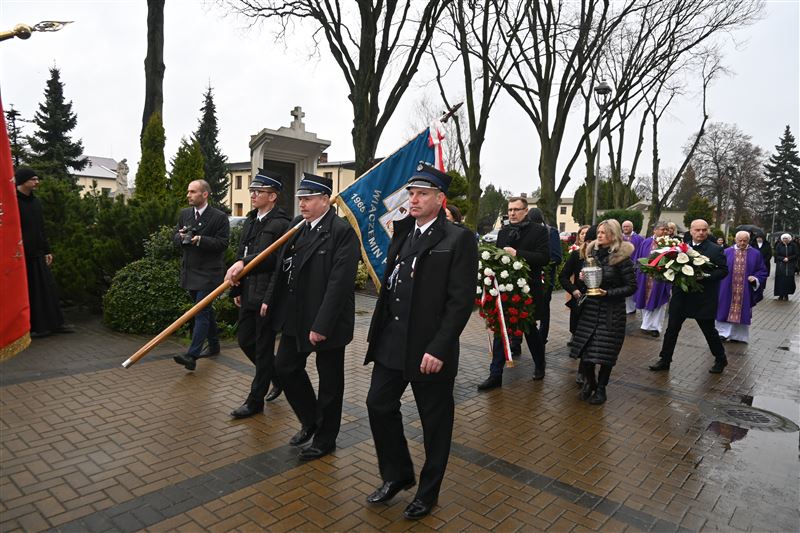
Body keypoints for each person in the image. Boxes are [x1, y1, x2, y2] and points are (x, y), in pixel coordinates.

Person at [364, 164, 478, 520]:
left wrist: (439, 348)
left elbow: (460, 302)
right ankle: (397, 474)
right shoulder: (403, 232)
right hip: (393, 340)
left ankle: (428, 493)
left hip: (429, 348)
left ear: (439, 199)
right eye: (411, 194)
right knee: (378, 404)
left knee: (435, 424)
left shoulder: (457, 238)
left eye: (422, 194)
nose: (413, 200)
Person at [264, 173, 360, 461]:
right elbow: (279, 264)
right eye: (300, 199)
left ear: (325, 200)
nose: (302, 204)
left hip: (326, 320)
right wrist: (267, 296)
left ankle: (325, 439)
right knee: (284, 367)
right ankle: (311, 420)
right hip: (296, 314)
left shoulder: (341, 231)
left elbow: (339, 284)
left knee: (330, 383)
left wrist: (322, 325)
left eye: (307, 199)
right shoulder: (298, 226)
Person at [224, 170, 291, 418]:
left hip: (266, 295)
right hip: (248, 291)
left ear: (272, 196)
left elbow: (276, 261)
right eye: (252, 191)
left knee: (263, 349)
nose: (253, 195)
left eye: (258, 192)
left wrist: (269, 299)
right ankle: (277, 376)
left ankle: (255, 401)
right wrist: (237, 288)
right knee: (245, 341)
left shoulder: (282, 225)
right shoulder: (251, 221)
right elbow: (240, 255)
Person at [477, 198, 550, 390]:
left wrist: (518, 254)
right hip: (504, 289)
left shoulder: (539, 231)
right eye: (510, 210)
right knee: (501, 330)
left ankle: (540, 364)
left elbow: (544, 258)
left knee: (530, 330)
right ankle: (495, 375)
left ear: (526, 211)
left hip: (527, 289)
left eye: (516, 209)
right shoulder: (503, 232)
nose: (512, 213)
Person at [569, 219, 636, 405]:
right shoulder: (591, 254)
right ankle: (590, 383)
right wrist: (582, 278)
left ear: (613, 235)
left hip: (611, 313)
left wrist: (607, 293)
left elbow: (631, 287)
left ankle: (601, 389)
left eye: (603, 232)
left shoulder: (622, 258)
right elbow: (588, 284)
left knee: (606, 355)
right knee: (586, 353)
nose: (599, 235)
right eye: (598, 232)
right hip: (590, 310)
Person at [649, 219, 729, 374]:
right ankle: (665, 359)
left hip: (703, 297)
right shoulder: (681, 247)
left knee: (709, 331)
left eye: (704, 230)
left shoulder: (715, 249)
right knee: (672, 329)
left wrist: (705, 276)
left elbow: (723, 270)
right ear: (691, 231)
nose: (701, 233)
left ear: (708, 231)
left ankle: (720, 358)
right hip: (681, 296)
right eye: (697, 230)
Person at [172, 180, 230, 371]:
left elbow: (223, 244)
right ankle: (214, 345)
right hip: (190, 272)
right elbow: (174, 237)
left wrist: (200, 240)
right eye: (188, 191)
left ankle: (192, 355)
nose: (188, 195)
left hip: (209, 274)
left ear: (205, 194)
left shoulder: (219, 217)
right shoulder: (185, 214)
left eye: (192, 191)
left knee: (200, 311)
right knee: (205, 310)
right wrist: (180, 237)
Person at [15, 167, 71, 337]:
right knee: (28, 293)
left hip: (38, 253)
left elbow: (41, 229)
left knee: (47, 290)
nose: (37, 182)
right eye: (33, 179)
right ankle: (31, 328)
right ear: (23, 181)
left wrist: (47, 250)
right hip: (21, 256)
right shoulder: (13, 203)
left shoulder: (35, 202)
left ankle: (55, 324)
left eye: (37, 179)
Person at [714, 231, 768, 343]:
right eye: (740, 240)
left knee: (742, 311)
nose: (742, 243)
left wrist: (755, 278)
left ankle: (738, 336)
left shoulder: (756, 254)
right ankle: (722, 333)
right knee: (724, 308)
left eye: (745, 241)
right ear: (735, 240)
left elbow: (762, 270)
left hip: (745, 289)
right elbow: (718, 267)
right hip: (727, 288)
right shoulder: (726, 252)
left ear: (749, 240)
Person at [558, 224, 595, 385]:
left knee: (592, 338)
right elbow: (563, 276)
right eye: (587, 240)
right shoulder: (576, 255)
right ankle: (582, 367)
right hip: (580, 301)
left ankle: (584, 370)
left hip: (597, 302)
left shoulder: (604, 256)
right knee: (579, 334)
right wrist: (574, 290)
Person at [528, 208, 562, 345]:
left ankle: (542, 337)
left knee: (543, 309)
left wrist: (541, 263)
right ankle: (517, 341)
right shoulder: (526, 231)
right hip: (527, 278)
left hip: (545, 279)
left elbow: (557, 257)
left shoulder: (550, 232)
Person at [632, 221, 672, 337]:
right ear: (655, 230)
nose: (665, 231)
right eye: (662, 229)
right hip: (645, 277)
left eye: (667, 229)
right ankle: (645, 325)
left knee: (659, 302)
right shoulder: (646, 242)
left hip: (661, 279)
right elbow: (638, 258)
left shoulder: (671, 244)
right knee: (644, 299)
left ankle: (655, 327)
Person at [621, 220, 644, 314]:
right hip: (622, 266)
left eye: (627, 226)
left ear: (632, 227)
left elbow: (642, 252)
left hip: (635, 266)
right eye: (624, 227)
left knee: (633, 286)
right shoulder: (619, 237)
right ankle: (626, 307)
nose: (625, 228)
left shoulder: (639, 239)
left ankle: (632, 307)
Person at [773, 233, 797, 301]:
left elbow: (796, 254)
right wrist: (782, 258)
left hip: (790, 266)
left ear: (789, 239)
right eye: (783, 239)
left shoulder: (793, 245)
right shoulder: (779, 245)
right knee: (780, 280)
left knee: (788, 281)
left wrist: (789, 258)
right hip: (781, 266)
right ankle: (780, 295)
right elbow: (776, 255)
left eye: (786, 239)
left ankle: (786, 295)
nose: (785, 240)